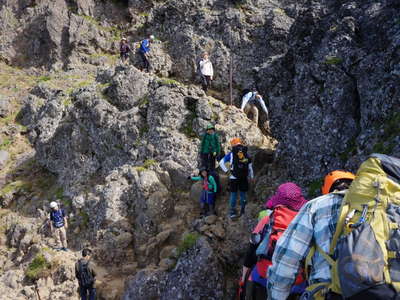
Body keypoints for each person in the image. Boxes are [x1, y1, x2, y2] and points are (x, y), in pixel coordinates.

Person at [266, 170, 356, 300]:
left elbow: (287, 259)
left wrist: (276, 297)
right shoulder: (380, 207)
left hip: (328, 292)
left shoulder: (316, 206)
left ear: (326, 188)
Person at [241, 183, 308, 300]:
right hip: (296, 284)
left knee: (253, 275)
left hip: (264, 279)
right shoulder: (307, 223)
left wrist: (243, 281)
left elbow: (250, 253)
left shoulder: (268, 220)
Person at [219, 138, 254, 218]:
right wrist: (251, 176)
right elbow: (249, 165)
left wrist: (227, 171)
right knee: (243, 194)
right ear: (240, 143)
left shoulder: (232, 153)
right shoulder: (245, 152)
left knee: (233, 194)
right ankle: (243, 210)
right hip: (244, 176)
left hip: (233, 176)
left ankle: (232, 211)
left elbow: (221, 162)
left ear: (233, 144)